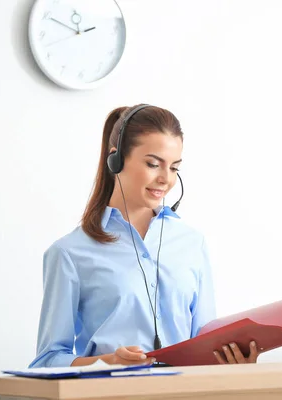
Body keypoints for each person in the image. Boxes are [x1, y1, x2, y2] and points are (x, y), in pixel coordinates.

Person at [28, 104, 260, 368]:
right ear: (116, 159)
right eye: (153, 164)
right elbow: (46, 361)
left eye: (174, 168)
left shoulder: (192, 243)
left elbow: (204, 344)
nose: (165, 179)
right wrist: (107, 361)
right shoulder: (70, 252)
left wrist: (232, 362)